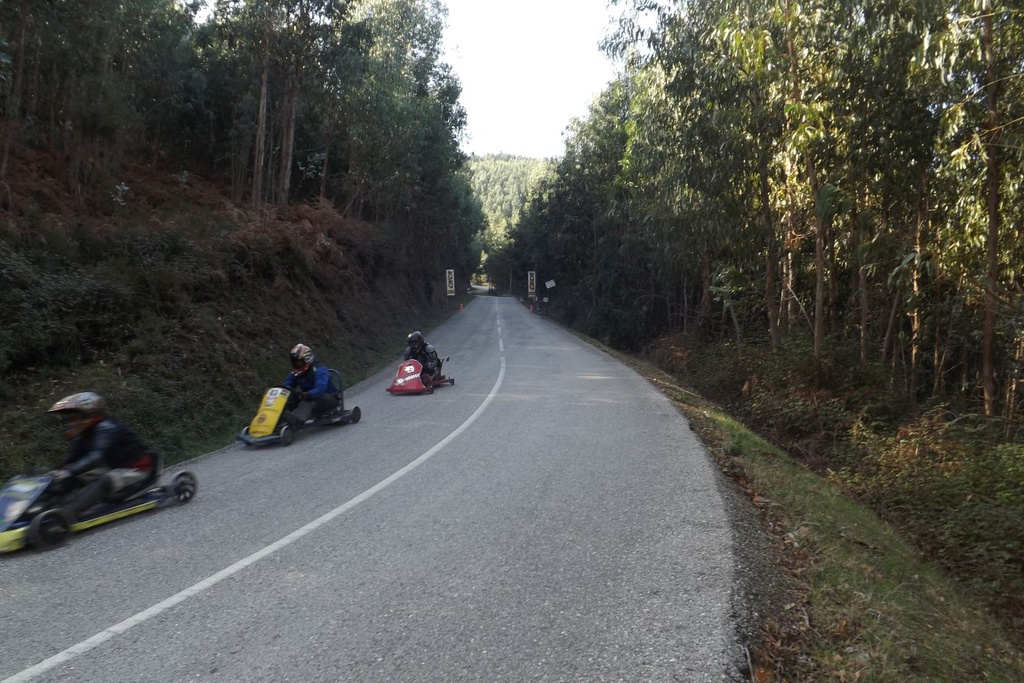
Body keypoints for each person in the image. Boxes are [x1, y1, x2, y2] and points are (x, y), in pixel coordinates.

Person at [46, 392, 159, 520]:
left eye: (73, 419)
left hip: (137, 471)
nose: (70, 424)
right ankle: (44, 509)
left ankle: (64, 515)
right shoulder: (84, 434)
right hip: (114, 469)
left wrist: (69, 471)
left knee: (104, 479)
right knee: (71, 477)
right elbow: (71, 460)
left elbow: (96, 456)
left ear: (88, 414)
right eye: (68, 420)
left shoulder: (107, 427)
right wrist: (53, 474)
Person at [282, 343, 341, 429]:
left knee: (310, 399)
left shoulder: (320, 370)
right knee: (289, 397)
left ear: (307, 359)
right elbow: (287, 385)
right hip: (310, 397)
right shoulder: (295, 373)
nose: (297, 365)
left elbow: (320, 389)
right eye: (295, 363)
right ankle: (276, 421)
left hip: (330, 398)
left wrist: (305, 395)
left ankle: (295, 421)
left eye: (299, 363)